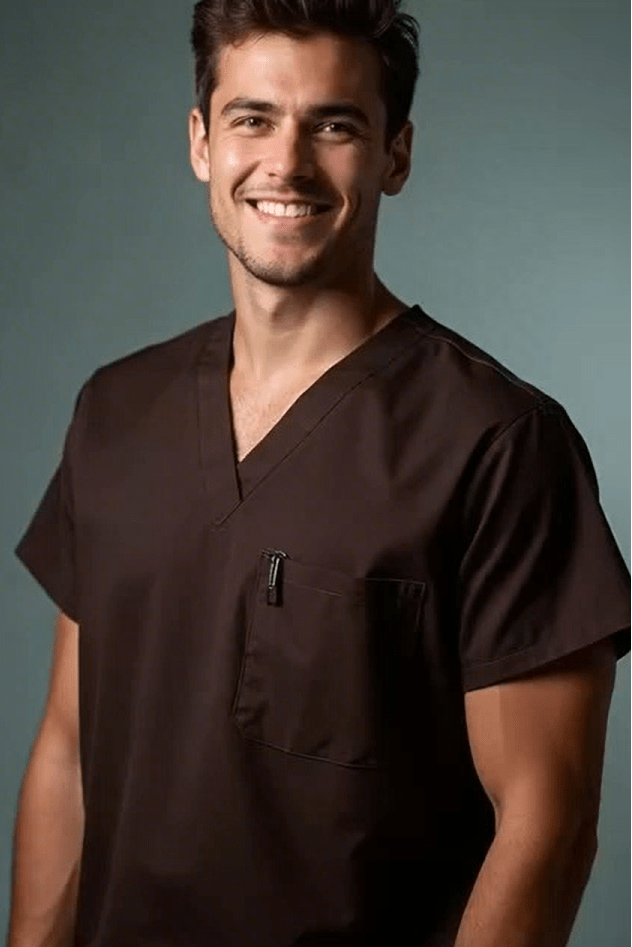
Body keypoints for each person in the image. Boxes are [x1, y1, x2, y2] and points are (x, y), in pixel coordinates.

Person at [7, 1, 631, 945]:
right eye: (252, 119)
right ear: (201, 142)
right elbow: (68, 749)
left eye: (333, 125)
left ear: (395, 155)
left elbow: (547, 825)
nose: (286, 164)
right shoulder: (114, 410)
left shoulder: (498, 443)